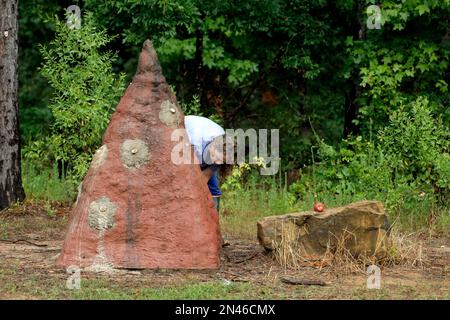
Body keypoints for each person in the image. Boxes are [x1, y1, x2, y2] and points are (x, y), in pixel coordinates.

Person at [184, 115, 233, 212]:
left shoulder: (224, 143)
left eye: (222, 161)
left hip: (206, 149)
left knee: (213, 189)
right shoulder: (195, 141)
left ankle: (213, 223)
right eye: (219, 159)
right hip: (187, 138)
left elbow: (204, 178)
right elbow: (194, 177)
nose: (218, 163)